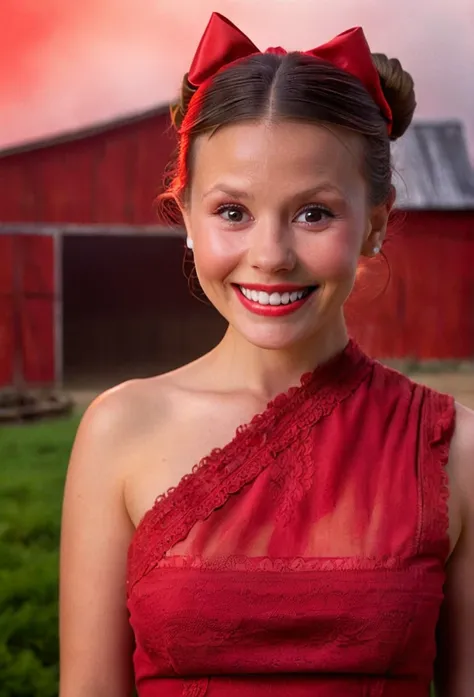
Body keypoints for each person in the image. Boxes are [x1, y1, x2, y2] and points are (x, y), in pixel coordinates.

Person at [59, 12, 474, 697]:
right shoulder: (118, 431)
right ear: (186, 214)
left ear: (374, 223)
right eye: (232, 212)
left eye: (314, 213)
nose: (272, 257)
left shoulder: (455, 449)